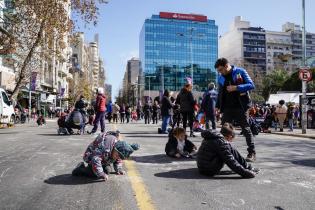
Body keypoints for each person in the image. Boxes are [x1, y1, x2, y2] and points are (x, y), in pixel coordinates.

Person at [215, 58, 256, 162]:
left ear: (226, 66)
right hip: (227, 108)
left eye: (221, 70)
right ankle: (223, 152)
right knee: (224, 131)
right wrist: (217, 106)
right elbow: (220, 93)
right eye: (218, 71)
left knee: (246, 129)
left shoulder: (240, 71)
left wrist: (236, 87)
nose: (220, 72)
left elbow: (251, 85)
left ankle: (252, 153)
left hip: (241, 106)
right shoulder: (221, 78)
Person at [72, 131, 139, 181]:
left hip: (104, 158)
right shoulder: (105, 148)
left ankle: (100, 168)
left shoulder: (117, 148)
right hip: (91, 155)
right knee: (95, 174)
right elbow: (96, 159)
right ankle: (80, 169)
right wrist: (101, 174)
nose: (117, 157)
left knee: (107, 170)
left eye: (120, 156)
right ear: (115, 148)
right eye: (117, 155)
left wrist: (119, 169)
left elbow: (118, 158)